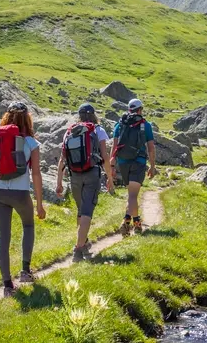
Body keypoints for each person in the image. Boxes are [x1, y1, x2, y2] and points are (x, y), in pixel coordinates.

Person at [0, 101, 46, 296]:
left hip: (0, 192)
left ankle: (7, 286)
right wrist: (39, 204)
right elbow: (36, 174)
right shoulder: (31, 143)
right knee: (28, 226)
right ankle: (25, 271)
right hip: (21, 193)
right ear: (27, 118)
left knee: (4, 236)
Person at [55, 103, 115, 261]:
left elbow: (62, 159)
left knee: (81, 210)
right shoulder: (97, 130)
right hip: (91, 174)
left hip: (74, 175)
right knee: (87, 210)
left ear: (79, 115)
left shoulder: (70, 131)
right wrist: (109, 177)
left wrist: (59, 182)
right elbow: (104, 157)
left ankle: (84, 242)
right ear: (94, 115)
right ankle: (78, 248)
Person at [111, 98, 157, 236]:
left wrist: (112, 165)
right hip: (138, 162)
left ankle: (128, 220)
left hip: (123, 162)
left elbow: (114, 146)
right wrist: (153, 166)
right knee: (133, 195)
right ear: (139, 110)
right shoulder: (145, 125)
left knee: (131, 195)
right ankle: (134, 223)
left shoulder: (120, 125)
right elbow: (151, 147)